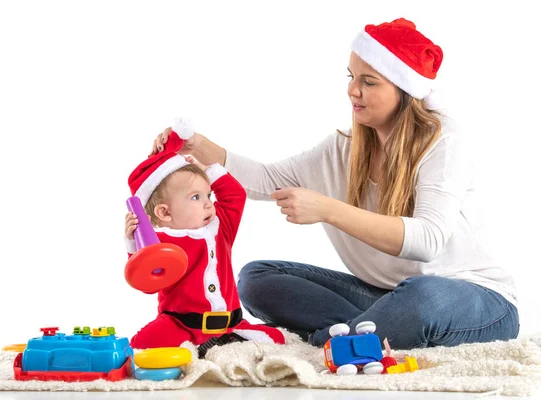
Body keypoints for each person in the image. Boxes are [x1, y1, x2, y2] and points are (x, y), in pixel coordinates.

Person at [150, 19, 520, 350]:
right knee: (256, 278)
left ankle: (335, 340)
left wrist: (327, 209)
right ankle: (369, 334)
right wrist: (199, 147)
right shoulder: (344, 147)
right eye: (351, 77)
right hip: (383, 297)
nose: (352, 91)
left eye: (368, 82)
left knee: (423, 297)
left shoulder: (443, 141)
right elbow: (265, 180)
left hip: (473, 298)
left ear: (404, 92)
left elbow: (426, 240)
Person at [124, 118, 285, 350]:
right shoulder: (159, 244)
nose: (209, 204)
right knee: (141, 346)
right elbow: (148, 285)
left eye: (208, 195)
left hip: (231, 323)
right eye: (196, 197)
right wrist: (133, 243)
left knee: (276, 339)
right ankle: (199, 346)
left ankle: (224, 340)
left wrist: (208, 171)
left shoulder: (221, 226)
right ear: (164, 212)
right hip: (182, 325)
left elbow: (235, 195)